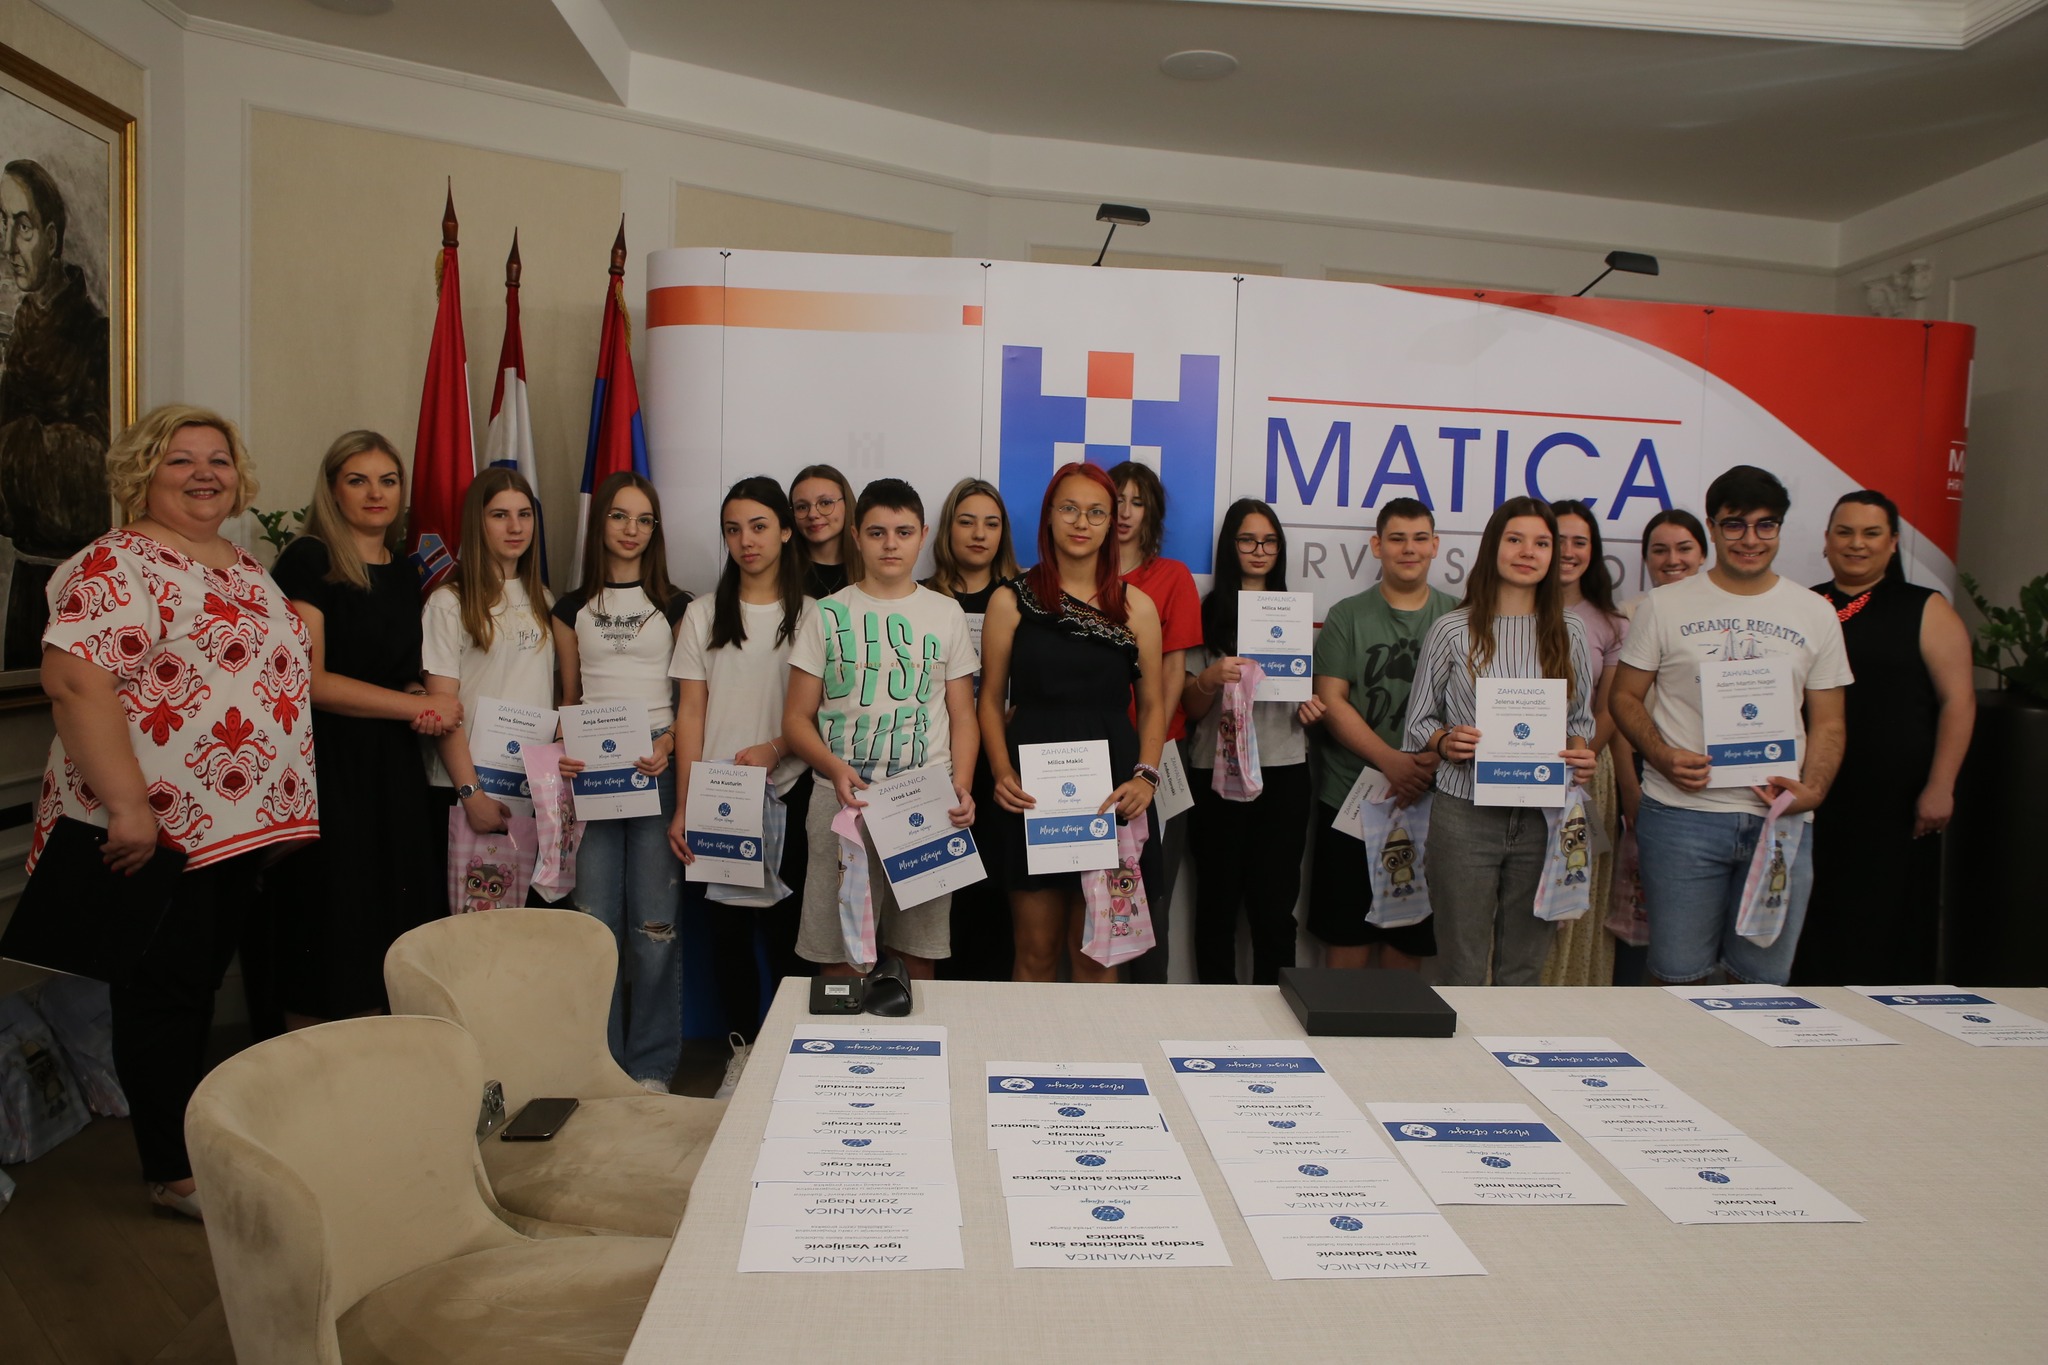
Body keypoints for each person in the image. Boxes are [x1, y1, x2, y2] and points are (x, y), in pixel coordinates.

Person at [35, 405, 316, 1219]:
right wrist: (128, 805)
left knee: (194, 986)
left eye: (217, 459)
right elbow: (74, 681)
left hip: (235, 831)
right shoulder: (116, 563)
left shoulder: (244, 564)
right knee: (163, 996)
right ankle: (173, 1169)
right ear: (142, 473)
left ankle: (202, 1142)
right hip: (158, 829)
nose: (204, 473)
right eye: (180, 459)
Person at [1612, 465, 1851, 986]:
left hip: (1780, 821)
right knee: (1677, 977)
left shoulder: (1815, 612)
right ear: (1713, 528)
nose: (1750, 539)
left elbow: (1830, 722)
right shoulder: (1662, 606)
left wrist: (1813, 790)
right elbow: (1624, 697)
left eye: (1766, 525)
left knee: (1762, 982)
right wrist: (1662, 756)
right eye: (1735, 524)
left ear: (1780, 529)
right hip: (1682, 818)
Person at [267, 431, 452, 1030]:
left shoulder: (404, 574)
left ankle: (381, 1067)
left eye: (388, 481)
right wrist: (409, 705)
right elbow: (310, 681)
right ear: (332, 490)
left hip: (393, 769)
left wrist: (419, 696)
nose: (376, 493)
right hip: (329, 769)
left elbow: (397, 672)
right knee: (332, 921)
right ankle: (316, 1072)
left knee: (391, 921)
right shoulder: (309, 561)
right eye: (358, 480)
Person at [784, 478, 979, 979]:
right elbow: (796, 720)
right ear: (856, 536)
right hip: (842, 800)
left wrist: (962, 784)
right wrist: (834, 767)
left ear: (923, 535)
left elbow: (964, 715)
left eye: (903, 532)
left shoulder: (945, 613)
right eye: (876, 533)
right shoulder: (827, 614)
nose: (890, 544)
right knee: (839, 954)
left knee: (918, 953)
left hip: (926, 800)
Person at [980, 462, 1164, 984]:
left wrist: (1146, 776)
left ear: (1111, 523)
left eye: (1096, 512)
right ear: (1048, 516)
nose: (1082, 522)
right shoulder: (1009, 600)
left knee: (1097, 956)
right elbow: (989, 700)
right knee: (1035, 951)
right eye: (1069, 509)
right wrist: (1000, 771)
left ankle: (1098, 1046)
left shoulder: (1136, 607)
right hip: (1031, 794)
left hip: (1111, 793)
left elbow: (1153, 704)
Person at [1404, 497, 1598, 986]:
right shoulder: (1452, 628)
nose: (1527, 552)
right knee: (1461, 967)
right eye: (1515, 539)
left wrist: (1580, 752)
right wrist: (1447, 742)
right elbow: (1418, 722)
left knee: (1524, 970)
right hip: (1464, 815)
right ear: (1493, 546)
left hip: (1543, 817)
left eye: (1542, 543)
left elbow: (1580, 718)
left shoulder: (1571, 630)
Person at [669, 477, 818, 1082]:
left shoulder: (815, 615)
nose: (746, 541)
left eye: (758, 527)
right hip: (720, 799)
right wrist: (684, 806)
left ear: (785, 531)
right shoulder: (703, 613)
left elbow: (826, 712)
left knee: (789, 935)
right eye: (733, 530)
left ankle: (790, 1060)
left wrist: (777, 749)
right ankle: (741, 1057)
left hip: (791, 789)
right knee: (728, 934)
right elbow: (691, 713)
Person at [1794, 489, 1974, 985]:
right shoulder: (1801, 605)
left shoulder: (1926, 608)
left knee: (1887, 924)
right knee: (1812, 923)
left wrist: (1942, 785)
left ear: (1893, 543)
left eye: (1871, 533)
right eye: (1845, 532)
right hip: (1814, 797)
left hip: (1896, 804)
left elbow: (1959, 701)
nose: (1857, 543)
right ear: (1827, 540)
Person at [552, 472, 690, 1090]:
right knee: (593, 924)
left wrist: (668, 743)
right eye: (619, 516)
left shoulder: (678, 606)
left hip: (655, 768)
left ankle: (652, 1064)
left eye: (644, 520)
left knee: (655, 926)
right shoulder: (569, 607)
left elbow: (691, 700)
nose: (631, 530)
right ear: (599, 523)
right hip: (592, 775)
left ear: (655, 530)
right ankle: (601, 1064)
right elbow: (568, 697)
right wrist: (564, 750)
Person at [1307, 497, 1457, 970]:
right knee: (1346, 939)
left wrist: (1431, 759)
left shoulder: (1461, 617)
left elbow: (1473, 708)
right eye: (1397, 539)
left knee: (1407, 946)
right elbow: (1331, 700)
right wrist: (1391, 761)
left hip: (1433, 801)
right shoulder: (1347, 615)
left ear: (1435, 545)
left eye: (1419, 538)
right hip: (1351, 797)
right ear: (1377, 546)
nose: (1408, 548)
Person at [1183, 499, 1325, 984]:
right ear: (1231, 546)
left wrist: (1311, 712)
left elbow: (1303, 696)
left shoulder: (1294, 611)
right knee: (1216, 904)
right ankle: (1216, 1012)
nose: (1259, 550)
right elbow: (1190, 708)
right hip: (1216, 771)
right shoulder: (1206, 614)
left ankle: (1278, 1010)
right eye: (1248, 540)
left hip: (1283, 769)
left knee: (1274, 908)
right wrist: (1209, 679)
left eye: (1269, 541)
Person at [0, 159, 112, 670]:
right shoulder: (22, 332)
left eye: (22, 227)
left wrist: (14, 445)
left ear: (50, 238)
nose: (8, 246)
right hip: (28, 577)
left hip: (78, 583)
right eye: (2, 224)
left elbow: (92, 472)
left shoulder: (94, 337)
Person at [422, 468, 556, 845]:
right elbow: (442, 708)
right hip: (466, 789)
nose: (515, 527)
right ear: (477, 522)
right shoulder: (449, 602)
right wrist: (472, 794)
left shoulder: (545, 600)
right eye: (500, 515)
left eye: (524, 514)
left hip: (531, 787)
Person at [923, 477, 1021, 980]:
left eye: (991, 523)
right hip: (940, 763)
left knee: (997, 894)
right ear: (947, 530)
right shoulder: (921, 597)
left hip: (1004, 763)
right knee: (941, 896)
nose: (979, 534)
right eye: (966, 522)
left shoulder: (1024, 599)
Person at [1107, 460, 1200, 983]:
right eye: (1115, 500)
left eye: (1136, 502)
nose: (1124, 512)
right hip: (1092, 754)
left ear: (1152, 513)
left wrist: (1151, 756)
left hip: (1157, 753)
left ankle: (1148, 1010)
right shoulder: (1080, 574)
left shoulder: (1172, 577)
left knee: (1150, 893)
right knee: (1095, 893)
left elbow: (1172, 675)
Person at [1546, 499, 1627, 988]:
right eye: (1557, 540)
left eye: (1580, 542)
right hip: (1510, 772)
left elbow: (1611, 706)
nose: (1568, 551)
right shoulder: (1503, 612)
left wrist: (1578, 758)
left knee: (1572, 889)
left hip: (1584, 771)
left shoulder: (1611, 624)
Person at [790, 463, 858, 599]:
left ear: (847, 504)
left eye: (825, 503)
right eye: (802, 507)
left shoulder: (871, 569)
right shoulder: (782, 573)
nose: (812, 514)